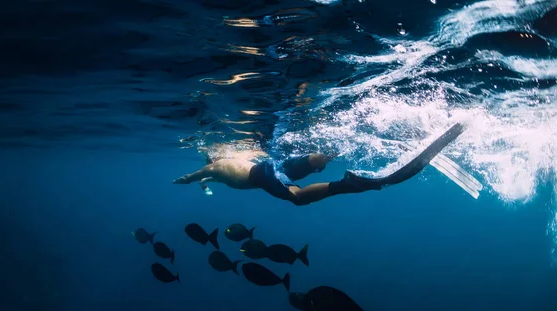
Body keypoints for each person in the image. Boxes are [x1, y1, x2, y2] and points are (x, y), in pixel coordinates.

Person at [173, 123, 475, 206]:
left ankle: (345, 186)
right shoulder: (231, 158)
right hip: (270, 165)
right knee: (310, 161)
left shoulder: (213, 167)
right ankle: (338, 146)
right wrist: (203, 183)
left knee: (297, 198)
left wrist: (186, 180)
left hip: (261, 175)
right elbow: (208, 177)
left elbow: (196, 174)